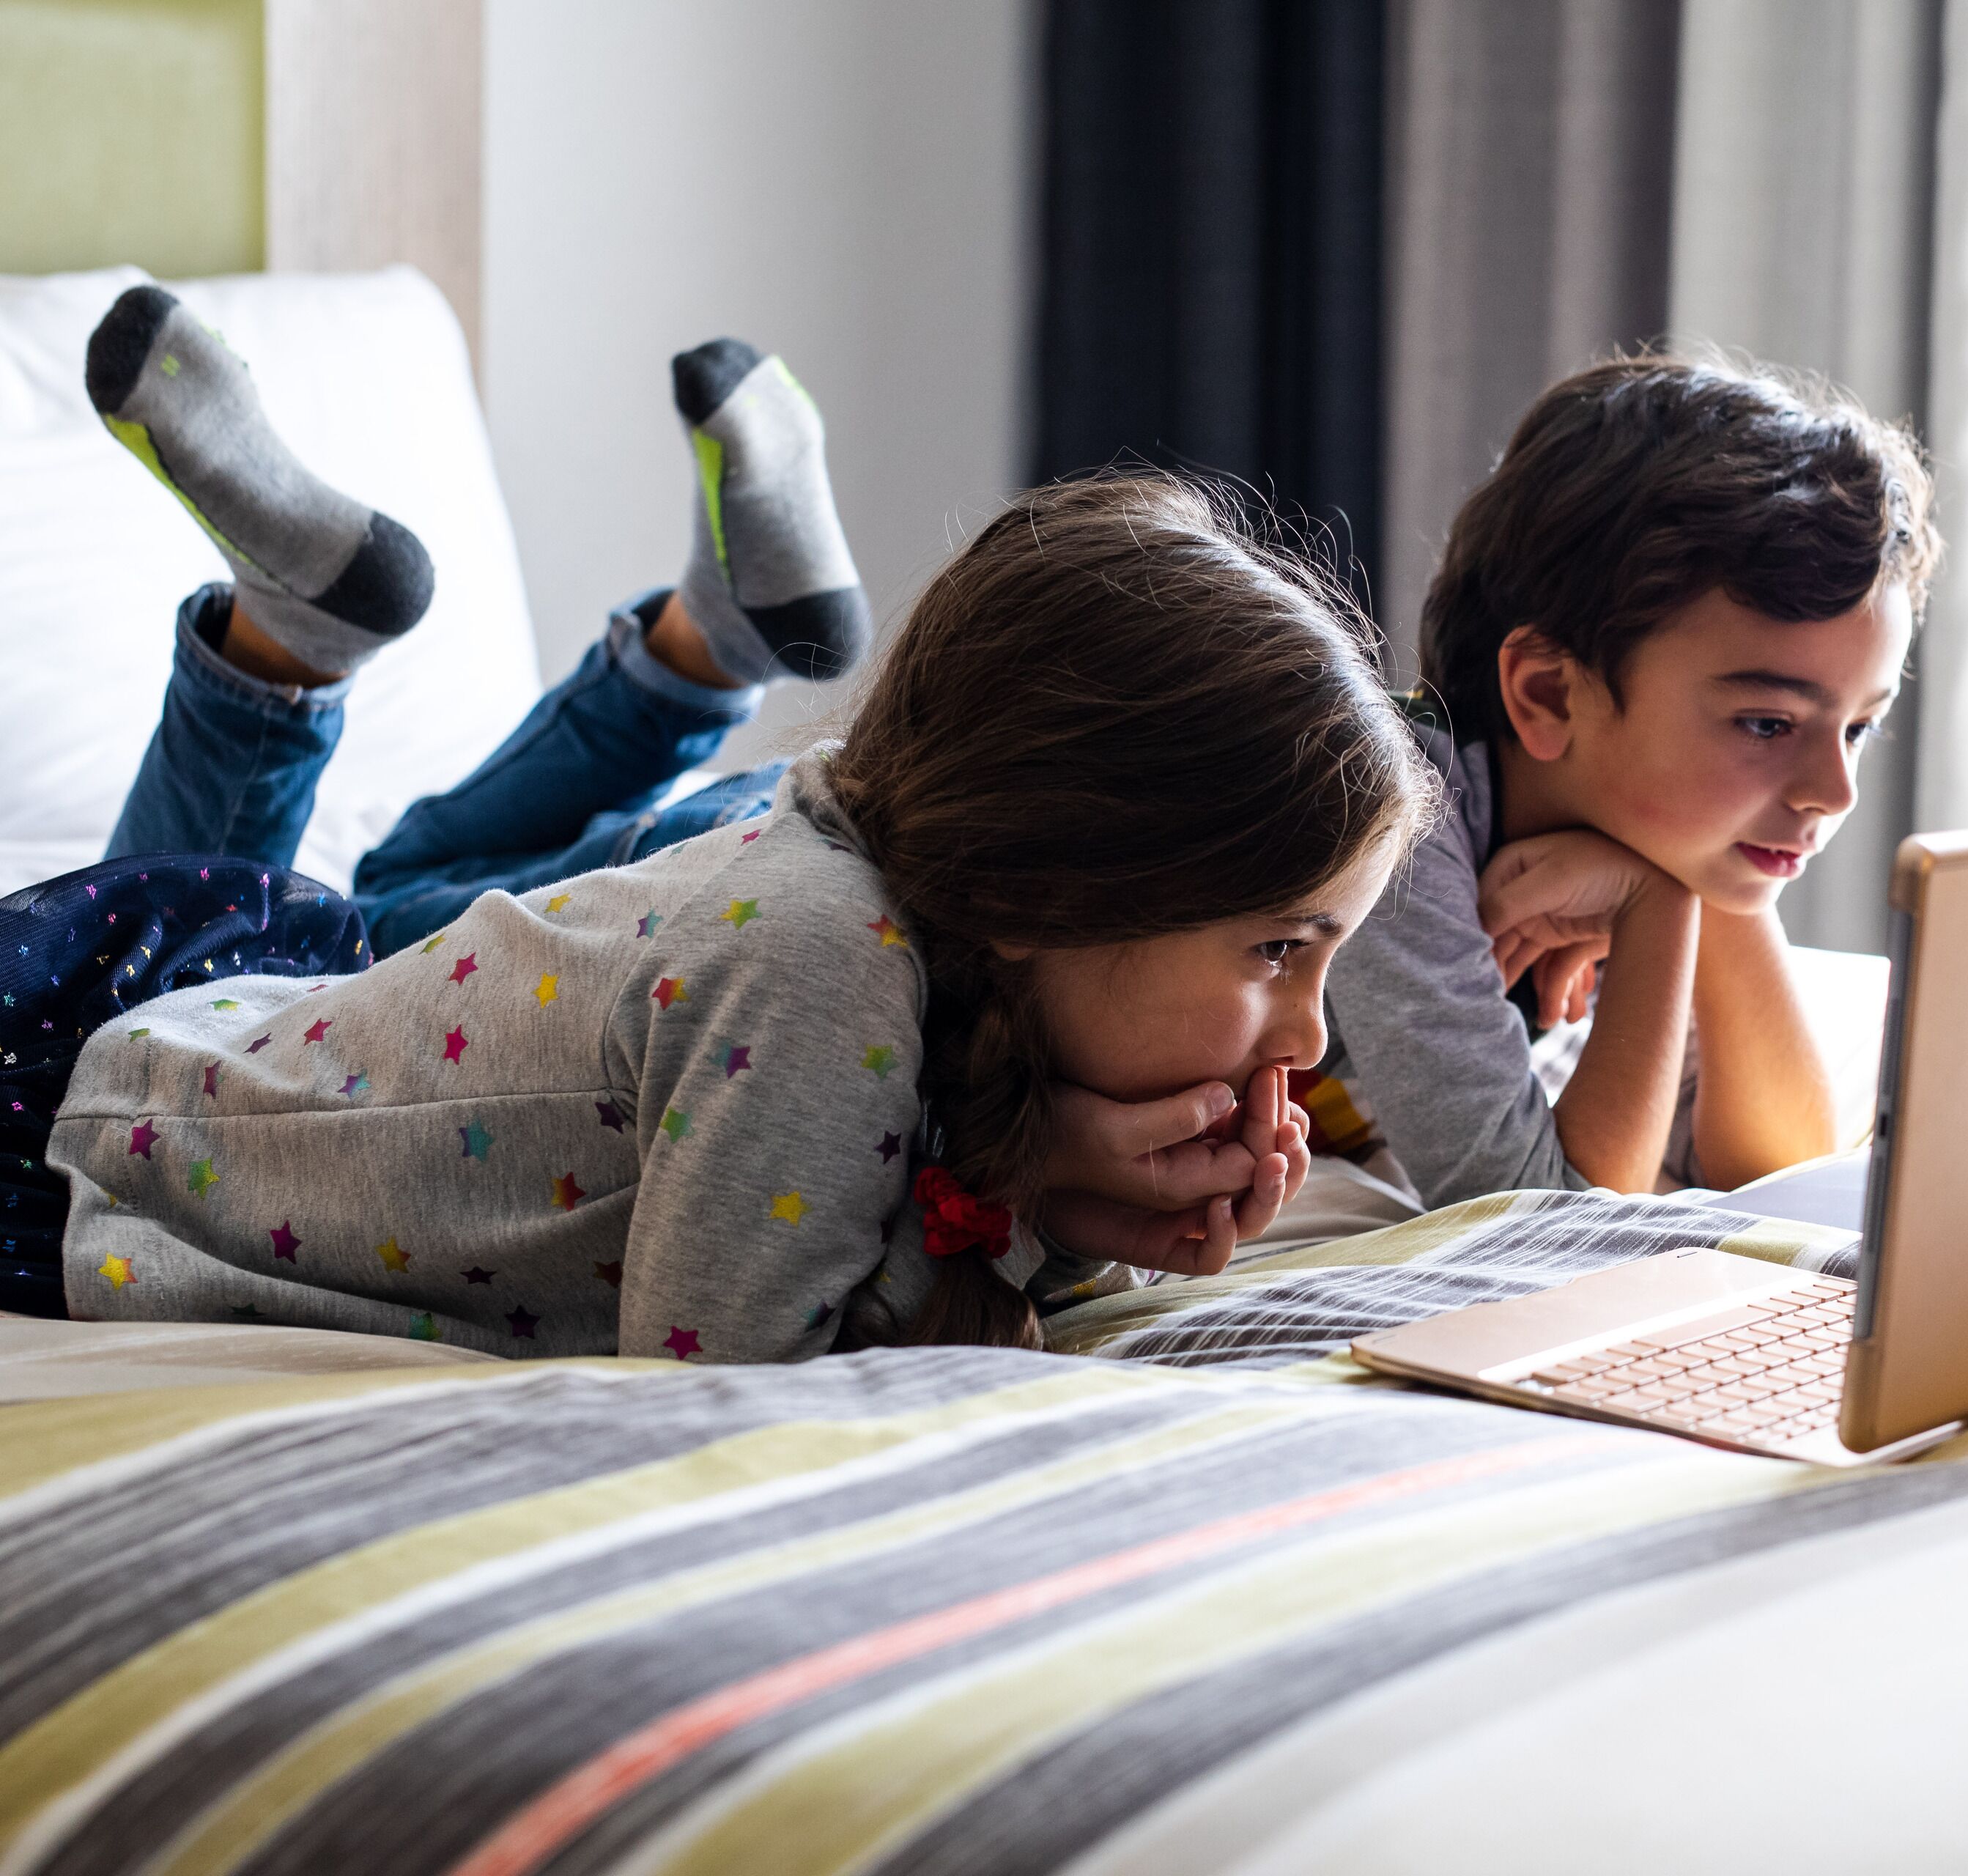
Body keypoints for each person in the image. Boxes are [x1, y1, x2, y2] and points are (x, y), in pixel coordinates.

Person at [2, 287, 1435, 1354]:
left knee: (410, 878)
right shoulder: (823, 962)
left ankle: (614, 645)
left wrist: (1063, 1216)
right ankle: (612, 645)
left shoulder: (894, 930)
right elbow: (732, 1381)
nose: (1309, 1033)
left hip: (231, 1023)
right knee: (407, 881)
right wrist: (1036, 1195)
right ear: (1051, 882)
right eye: (1277, 947)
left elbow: (872, 1219)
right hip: (65, 1131)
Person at [1310, 348, 1941, 1208]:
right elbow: (1544, 1210)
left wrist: (1699, 892)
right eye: (1767, 723)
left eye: (1858, 727)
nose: (1835, 792)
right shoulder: (1391, 817)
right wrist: (1663, 904)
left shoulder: (1626, 826)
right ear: (1548, 694)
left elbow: (1776, 1161)